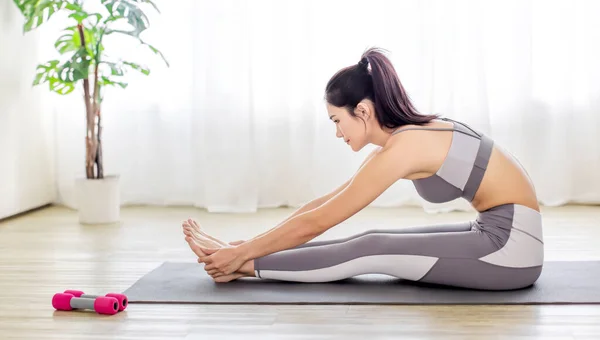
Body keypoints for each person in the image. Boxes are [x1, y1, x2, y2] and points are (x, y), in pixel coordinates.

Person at [182, 47, 543, 290]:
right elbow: (324, 205)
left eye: (337, 120)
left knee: (371, 247)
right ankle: (244, 260)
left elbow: (319, 222)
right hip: (497, 231)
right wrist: (249, 244)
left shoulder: (407, 146)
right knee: (365, 240)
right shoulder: (405, 139)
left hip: (511, 250)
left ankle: (242, 269)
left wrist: (241, 258)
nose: (337, 132)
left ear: (364, 111)